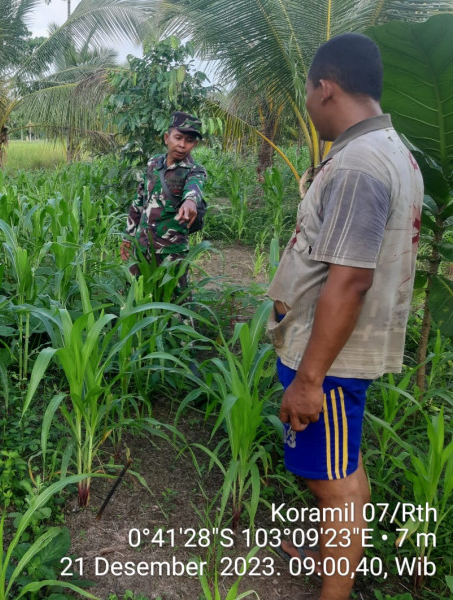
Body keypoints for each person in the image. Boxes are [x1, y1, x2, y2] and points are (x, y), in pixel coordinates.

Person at [267, 34, 423, 599]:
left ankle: (335, 593)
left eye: (307, 92)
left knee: (329, 481)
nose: (308, 104)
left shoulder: (359, 163)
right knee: (339, 465)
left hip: (326, 358)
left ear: (325, 87)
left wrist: (309, 380)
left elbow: (350, 281)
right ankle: (331, 555)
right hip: (328, 351)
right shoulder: (388, 149)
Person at [121, 111, 207, 295]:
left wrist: (190, 201)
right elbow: (139, 201)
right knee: (136, 294)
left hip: (171, 251)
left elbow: (194, 188)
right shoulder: (153, 164)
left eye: (189, 140)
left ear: (195, 144)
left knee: (176, 301)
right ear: (167, 138)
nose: (182, 145)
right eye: (178, 138)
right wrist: (127, 236)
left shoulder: (194, 170)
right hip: (143, 244)